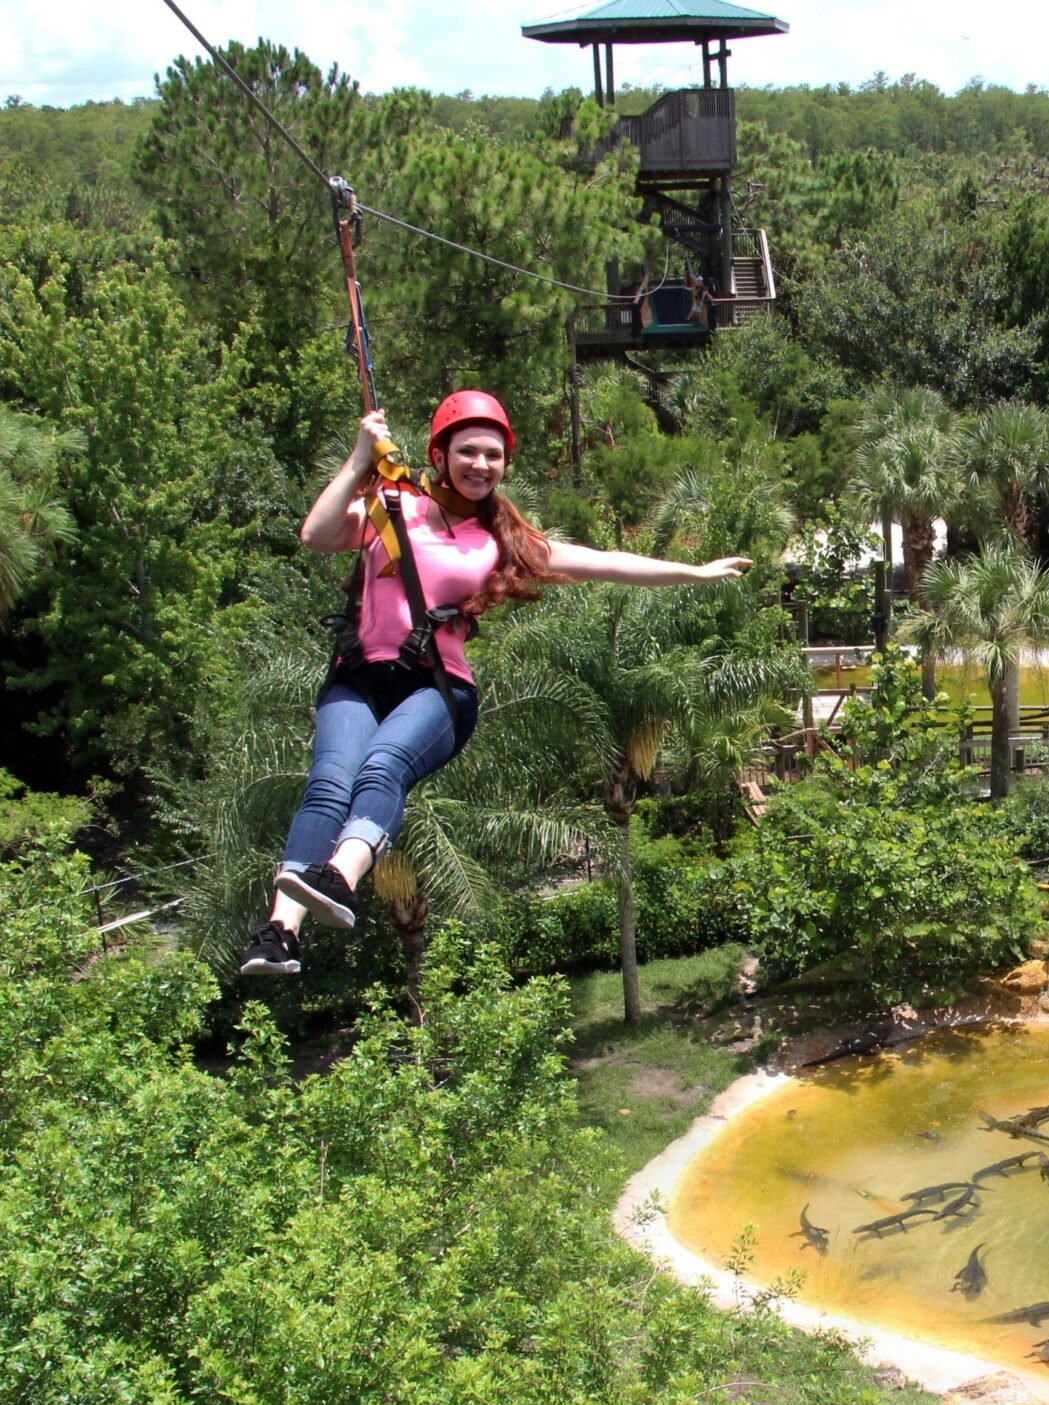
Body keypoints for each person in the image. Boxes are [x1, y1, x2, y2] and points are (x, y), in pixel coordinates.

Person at [241, 391, 746, 975]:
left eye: (493, 455)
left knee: (381, 767)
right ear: (440, 453)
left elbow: (605, 561)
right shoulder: (391, 506)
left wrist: (693, 572)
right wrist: (358, 460)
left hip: (437, 688)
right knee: (329, 780)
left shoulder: (501, 540)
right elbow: (316, 533)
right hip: (357, 676)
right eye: (468, 452)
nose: (481, 465)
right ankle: (280, 934)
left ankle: (342, 877)